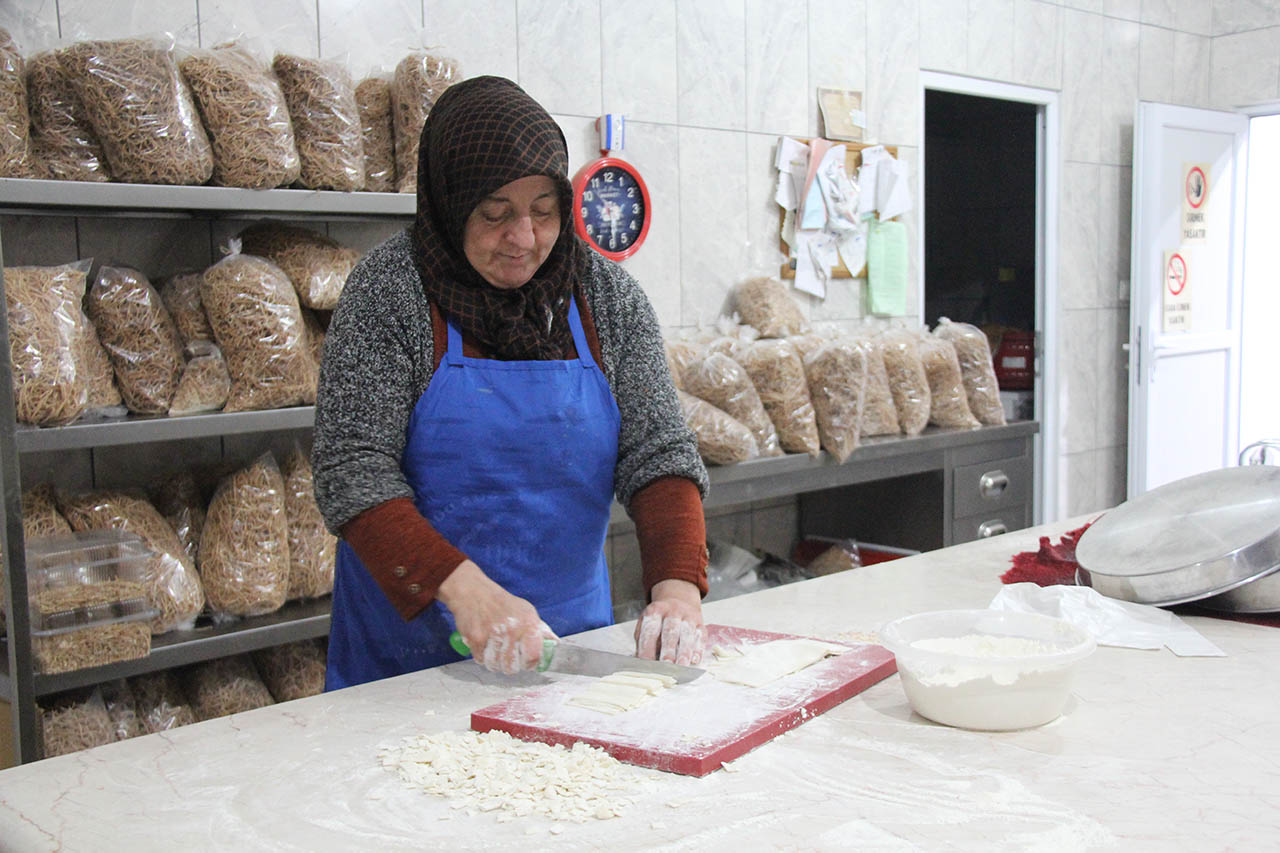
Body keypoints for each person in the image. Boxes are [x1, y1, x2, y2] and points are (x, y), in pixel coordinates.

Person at [312, 76, 709, 690]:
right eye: (495, 214)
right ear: (450, 203)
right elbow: (351, 470)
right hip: (406, 666)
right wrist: (467, 593)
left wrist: (678, 587)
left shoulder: (607, 298)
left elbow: (658, 452)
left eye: (544, 211)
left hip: (570, 655)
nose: (524, 239)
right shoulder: (390, 293)